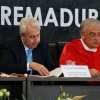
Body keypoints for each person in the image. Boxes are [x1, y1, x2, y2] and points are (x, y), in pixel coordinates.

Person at [59, 18, 100, 85]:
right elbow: (65, 70)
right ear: (82, 34)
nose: (97, 38)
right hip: (79, 88)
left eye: (99, 34)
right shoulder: (71, 48)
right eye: (93, 35)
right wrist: (86, 72)